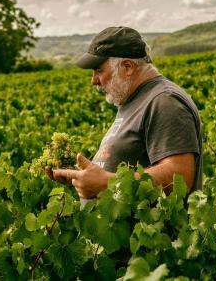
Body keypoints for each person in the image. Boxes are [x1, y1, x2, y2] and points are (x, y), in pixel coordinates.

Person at [46, 26, 202, 203]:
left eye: (98, 70)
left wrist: (107, 183)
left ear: (127, 67)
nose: (93, 80)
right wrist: (81, 177)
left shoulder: (164, 101)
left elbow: (179, 177)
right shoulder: (135, 99)